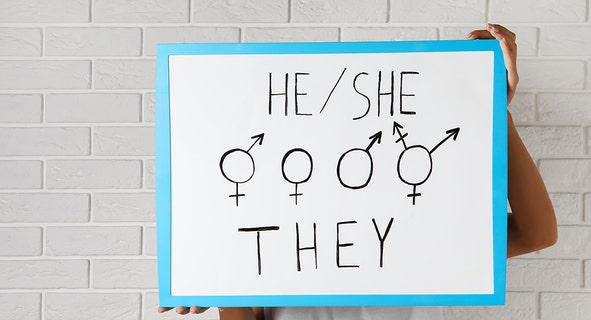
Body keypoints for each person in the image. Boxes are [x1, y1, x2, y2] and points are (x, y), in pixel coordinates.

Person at [159, 23, 558, 320]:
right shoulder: (268, 230)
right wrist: (220, 276)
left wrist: (489, 108)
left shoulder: (415, 227)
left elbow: (535, 232)